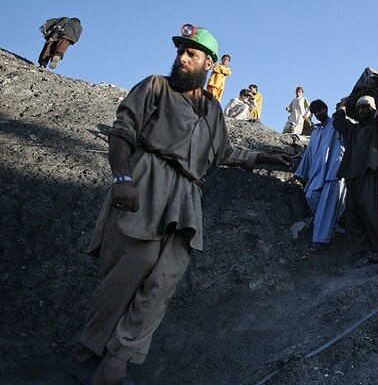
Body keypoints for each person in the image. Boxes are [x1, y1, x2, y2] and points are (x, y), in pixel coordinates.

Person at [65, 25, 291, 385]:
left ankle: (117, 362)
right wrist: (122, 178)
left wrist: (264, 157)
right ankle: (86, 352)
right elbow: (122, 132)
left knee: (164, 281)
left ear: (209, 63)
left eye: (191, 53)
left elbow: (223, 151)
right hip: (146, 182)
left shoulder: (213, 109)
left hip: (185, 198)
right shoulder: (156, 87)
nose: (182, 58)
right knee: (130, 270)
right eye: (180, 52)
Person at [333, 80, 378, 265]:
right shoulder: (353, 129)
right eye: (359, 108)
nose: (361, 111)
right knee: (353, 213)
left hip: (370, 173)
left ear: (372, 109)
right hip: (352, 174)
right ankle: (361, 251)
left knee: (370, 208)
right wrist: (344, 104)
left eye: (365, 107)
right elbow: (338, 121)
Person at [290, 100, 346, 254]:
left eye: (320, 110)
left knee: (326, 203)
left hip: (334, 171)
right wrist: (299, 175)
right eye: (315, 112)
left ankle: (319, 241)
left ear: (326, 109)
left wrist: (343, 106)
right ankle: (334, 227)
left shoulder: (336, 124)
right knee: (311, 196)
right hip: (318, 173)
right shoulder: (315, 132)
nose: (318, 114)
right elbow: (308, 155)